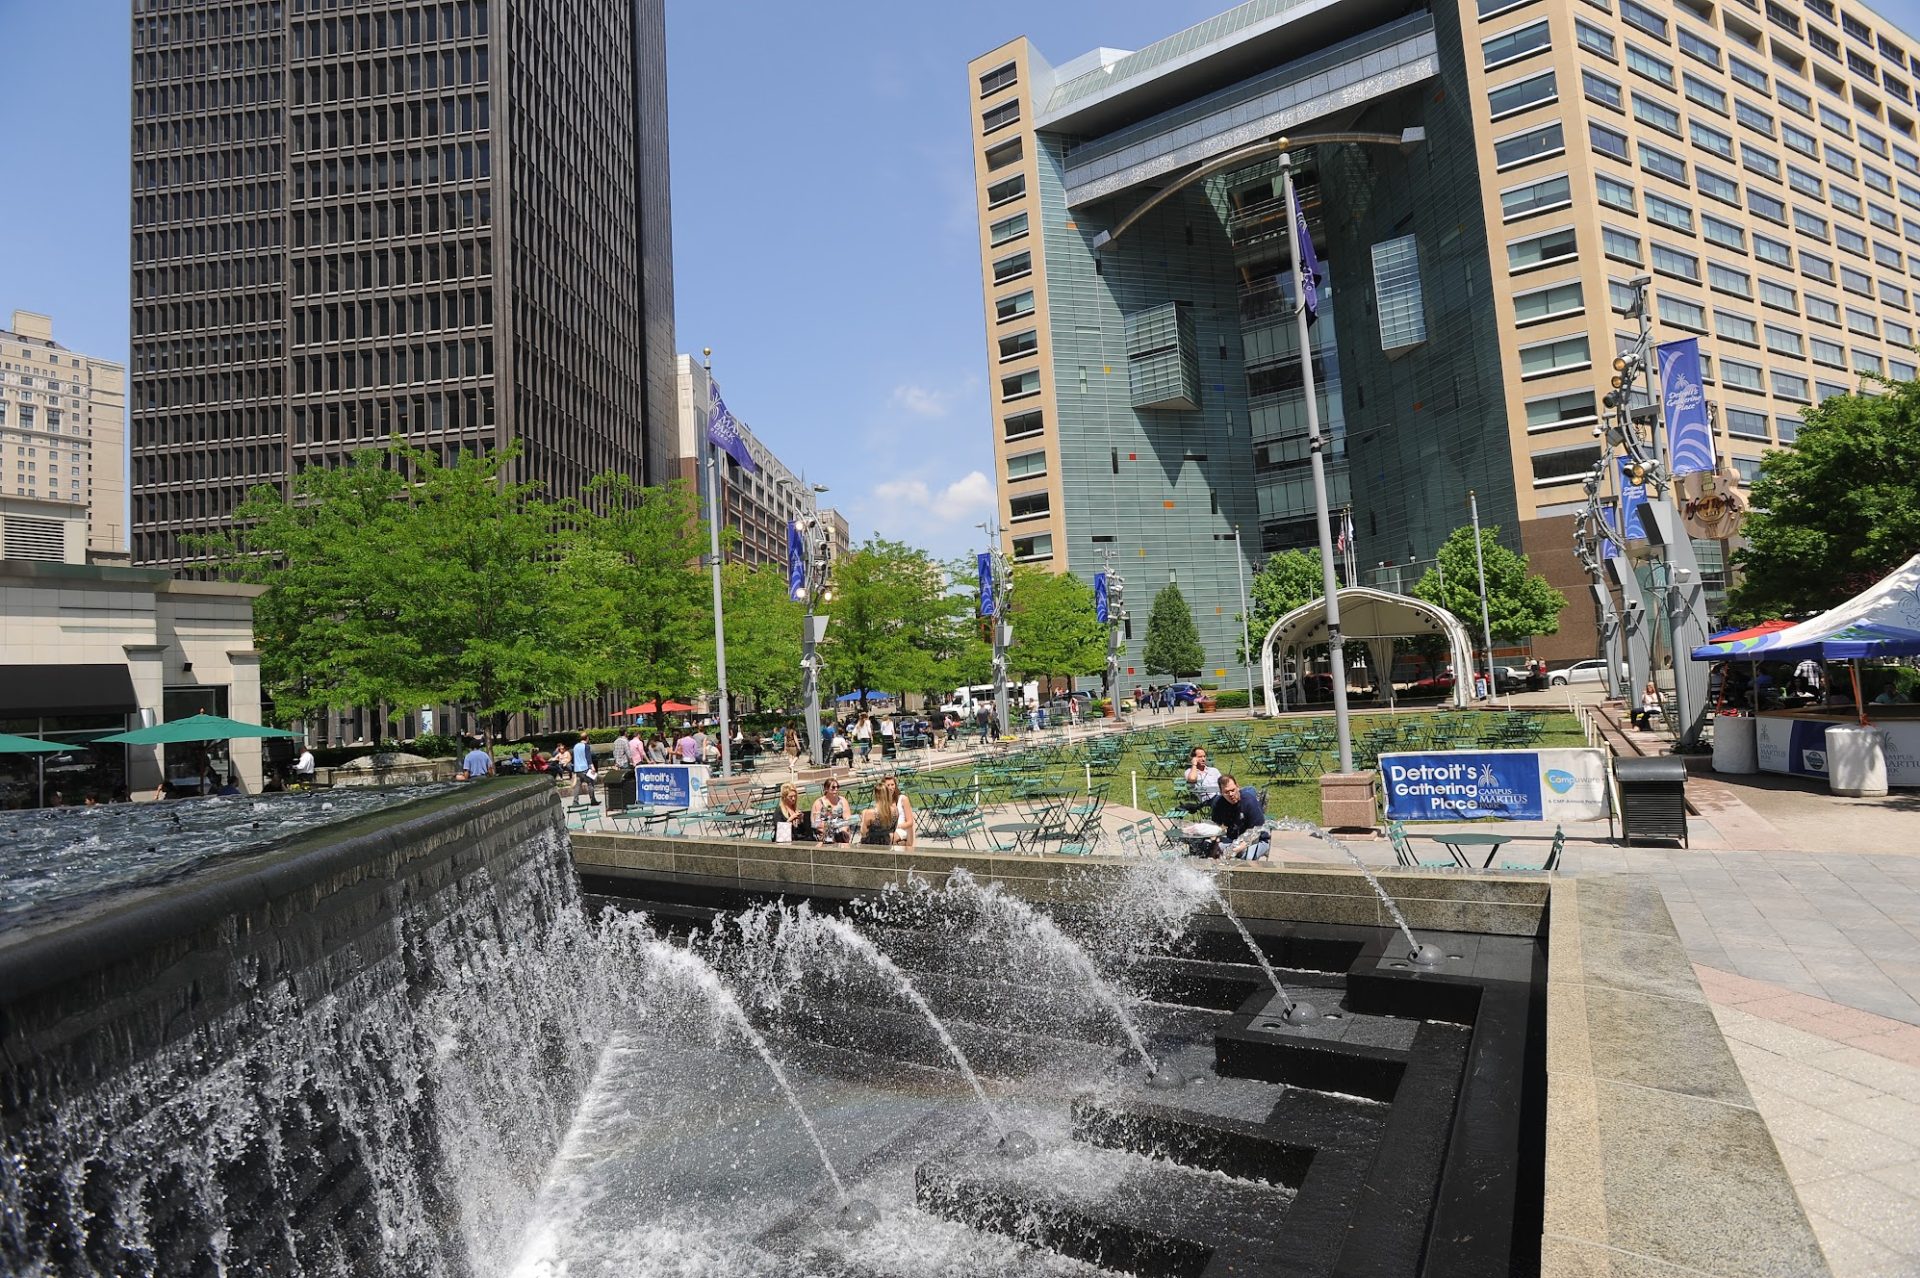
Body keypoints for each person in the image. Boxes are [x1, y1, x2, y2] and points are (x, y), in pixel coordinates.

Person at [1207, 775, 1269, 861]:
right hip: (1233, 840)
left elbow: (1257, 831)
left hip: (1257, 840)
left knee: (1247, 858)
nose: (1231, 794)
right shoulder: (1218, 803)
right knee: (1208, 848)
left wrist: (1238, 849)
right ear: (1221, 792)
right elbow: (1215, 827)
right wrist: (1214, 844)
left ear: (1237, 787)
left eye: (1233, 790)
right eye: (1226, 792)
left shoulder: (1249, 802)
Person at [858, 774, 916, 849]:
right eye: (888, 785)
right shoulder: (883, 804)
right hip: (888, 830)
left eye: (892, 784)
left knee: (886, 837)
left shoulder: (902, 799)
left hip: (901, 829)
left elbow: (910, 822)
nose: (891, 787)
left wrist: (898, 826)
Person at [812, 778, 854, 842]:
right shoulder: (819, 803)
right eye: (833, 787)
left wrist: (843, 829)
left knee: (843, 833)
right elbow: (816, 824)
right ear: (826, 788)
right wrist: (831, 828)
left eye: (837, 787)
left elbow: (848, 819)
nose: (836, 789)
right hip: (824, 831)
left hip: (841, 831)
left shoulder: (842, 801)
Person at [569, 733, 597, 806]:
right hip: (585, 768)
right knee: (590, 783)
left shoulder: (575, 746)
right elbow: (588, 758)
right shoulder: (586, 746)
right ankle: (593, 800)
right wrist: (592, 767)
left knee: (577, 785)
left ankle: (575, 801)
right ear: (587, 738)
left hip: (577, 769)